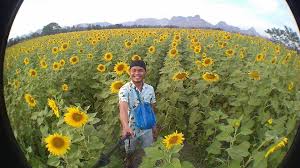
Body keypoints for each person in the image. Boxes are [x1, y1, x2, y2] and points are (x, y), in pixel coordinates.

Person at [118, 60, 158, 168]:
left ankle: (148, 164)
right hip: (131, 130)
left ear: (145, 72)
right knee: (130, 150)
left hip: (147, 127)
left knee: (149, 150)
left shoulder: (150, 89)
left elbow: (152, 108)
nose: (137, 73)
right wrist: (125, 127)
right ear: (129, 72)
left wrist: (154, 126)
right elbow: (123, 108)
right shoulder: (124, 90)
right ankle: (129, 162)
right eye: (134, 70)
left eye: (140, 70)